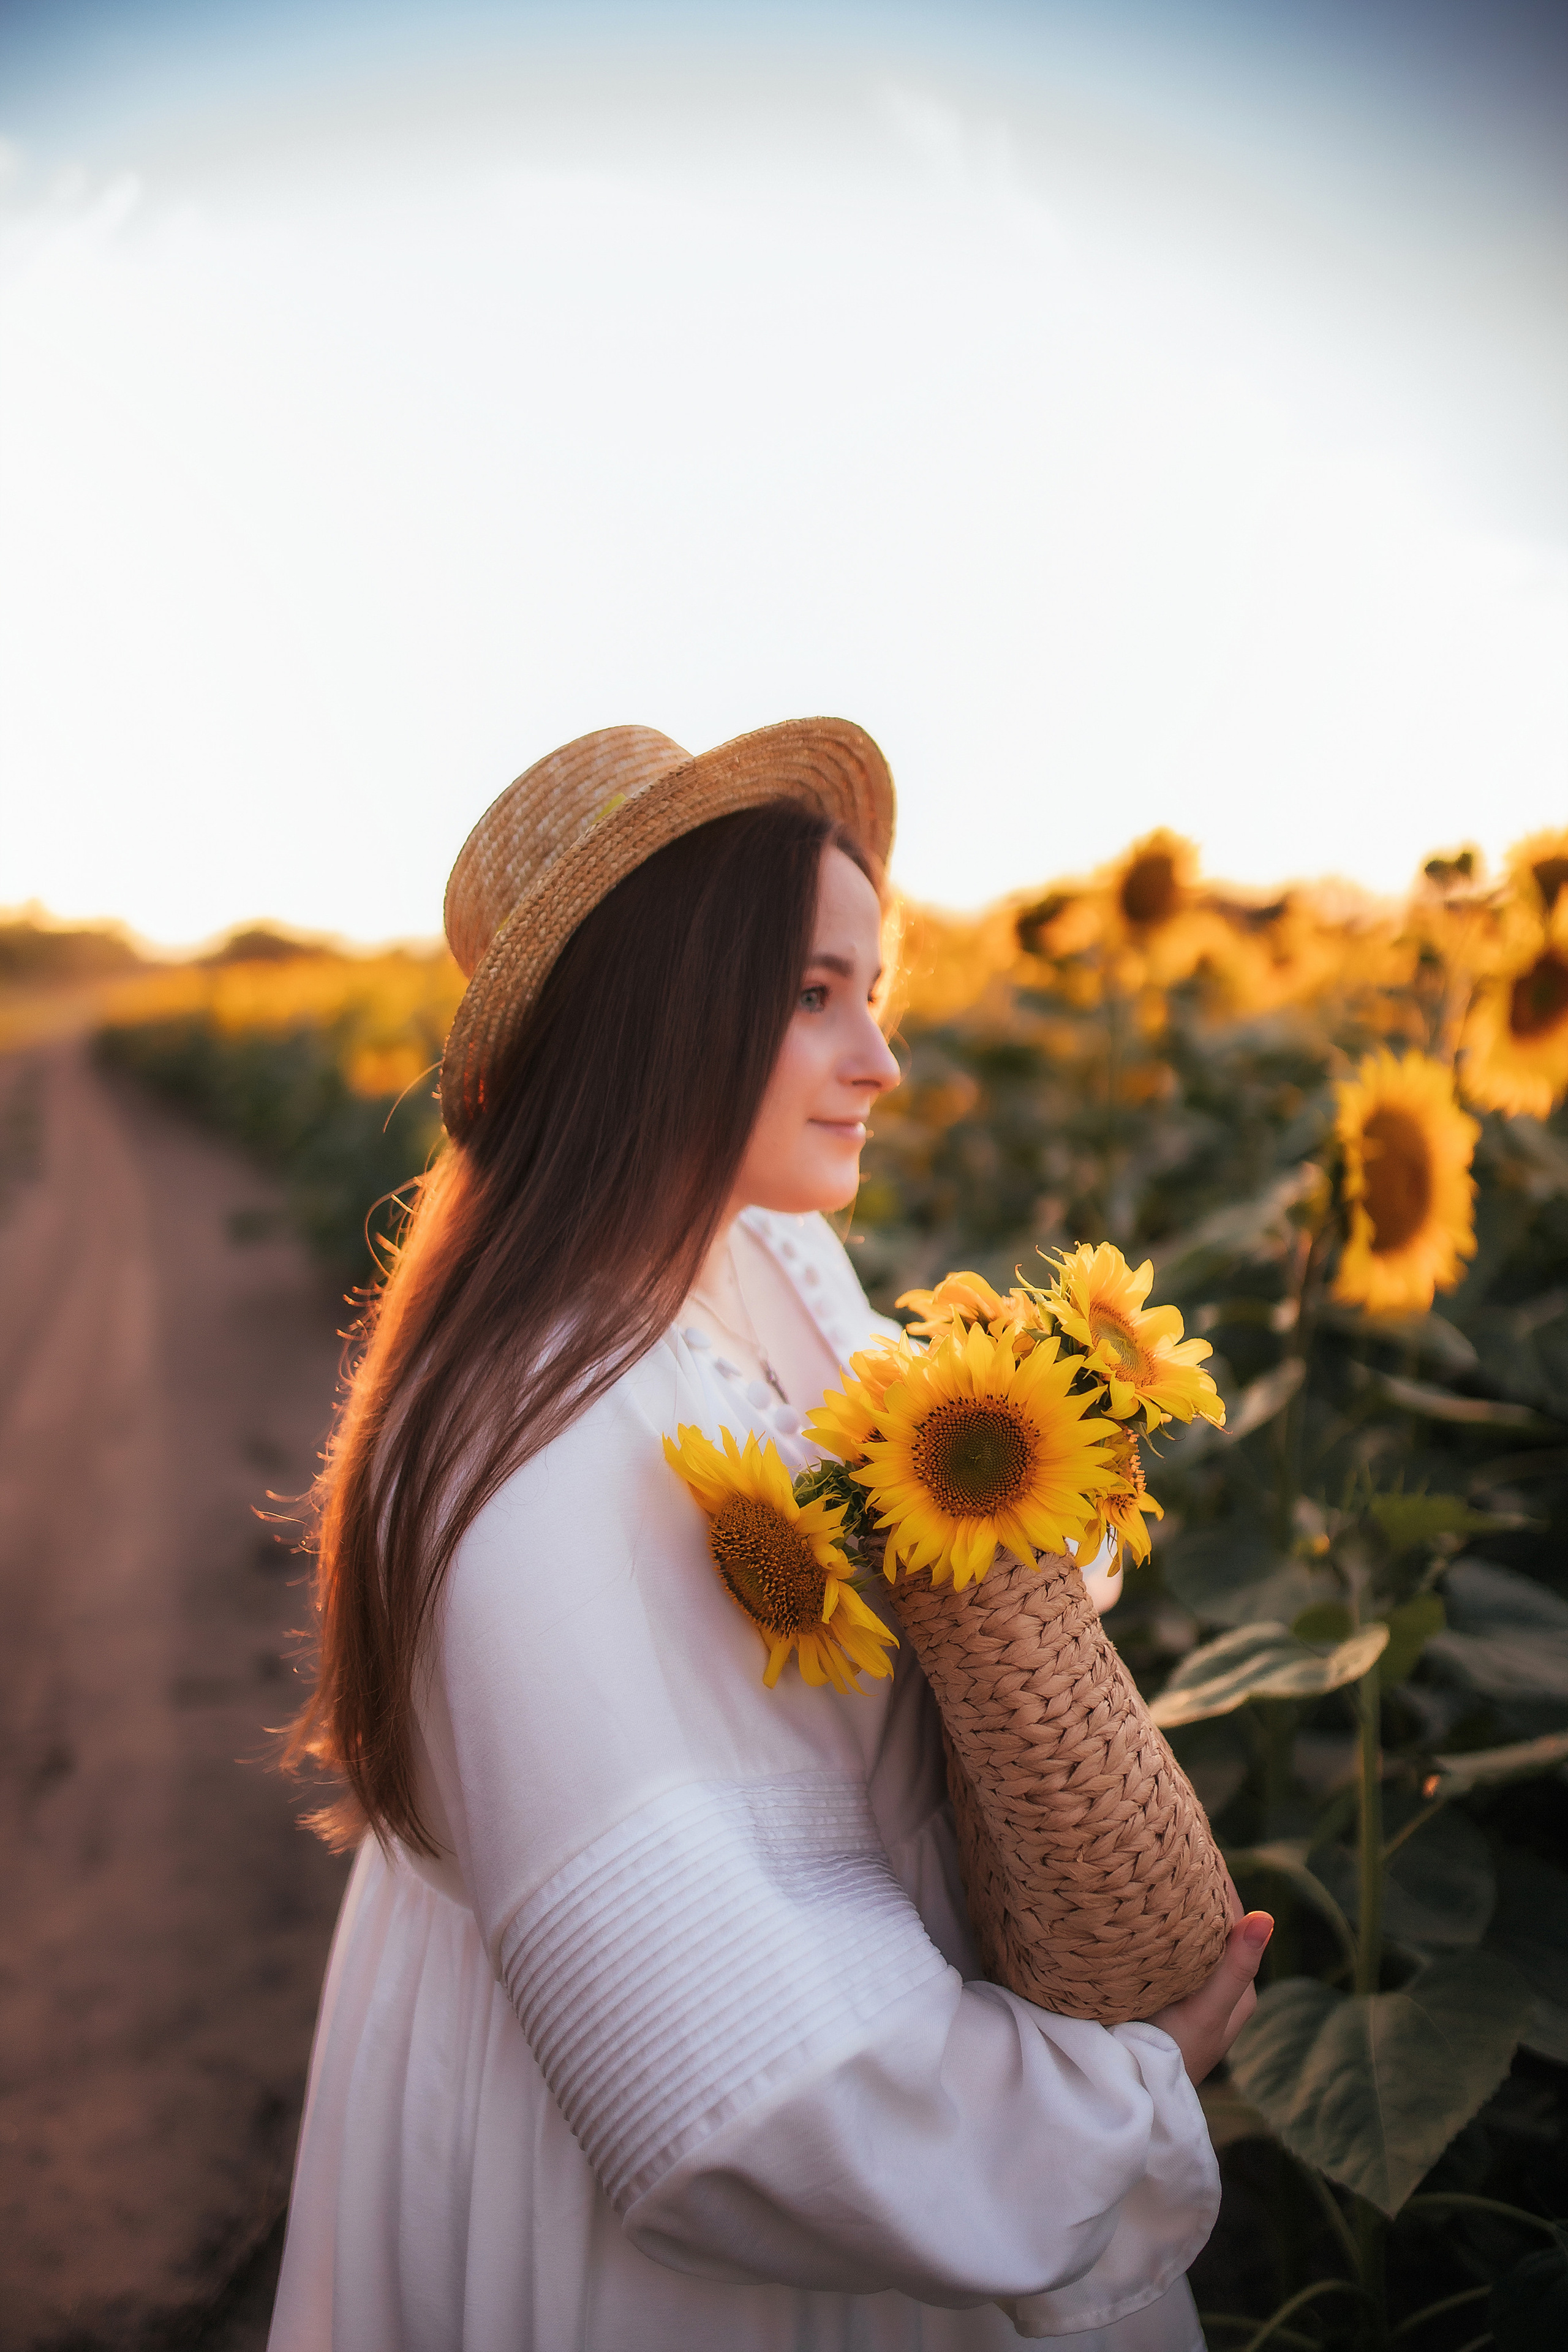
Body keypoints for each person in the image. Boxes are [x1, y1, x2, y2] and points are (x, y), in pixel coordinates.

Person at [268, 719, 1272, 2352]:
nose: (879, 1059)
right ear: (658, 1021)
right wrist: (1103, 2104)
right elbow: (718, 2065)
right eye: (813, 997)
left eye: (873, 994)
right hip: (681, 2234)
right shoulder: (541, 1441)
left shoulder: (759, 1280)